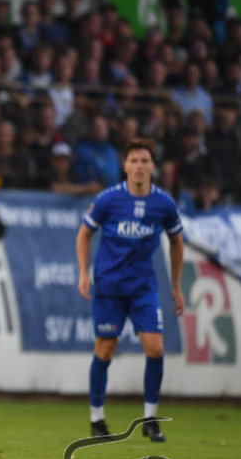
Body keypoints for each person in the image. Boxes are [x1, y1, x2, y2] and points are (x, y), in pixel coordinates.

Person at [76, 137, 184, 443]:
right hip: (109, 287)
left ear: (153, 166)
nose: (139, 166)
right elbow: (84, 234)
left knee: (156, 348)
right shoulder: (109, 199)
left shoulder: (163, 203)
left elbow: (177, 242)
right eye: (133, 160)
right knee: (105, 350)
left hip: (143, 288)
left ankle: (150, 418)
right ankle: (97, 419)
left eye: (144, 161)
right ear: (125, 166)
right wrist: (84, 273)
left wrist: (176, 286)